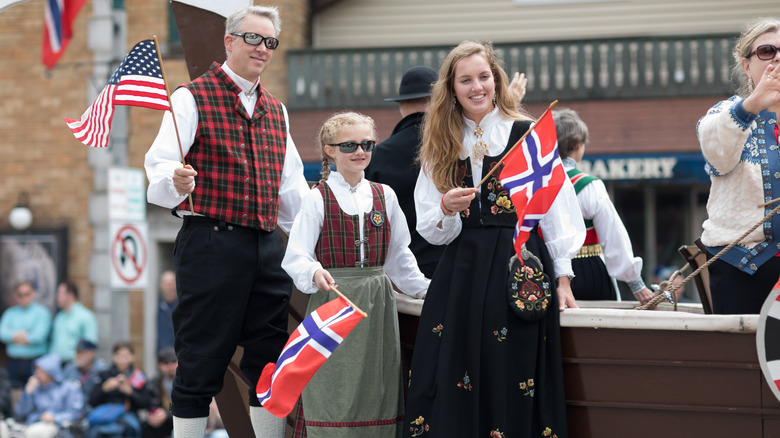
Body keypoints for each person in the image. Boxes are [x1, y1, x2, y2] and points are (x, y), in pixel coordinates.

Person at [403, 41, 585, 438]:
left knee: (513, 366)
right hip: (463, 270)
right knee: (455, 366)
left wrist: (564, 277)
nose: (476, 87)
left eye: (483, 77)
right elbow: (429, 225)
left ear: (496, 80)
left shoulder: (527, 134)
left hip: (519, 265)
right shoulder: (440, 143)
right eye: (465, 80)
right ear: (451, 89)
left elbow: (553, 207)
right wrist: (448, 208)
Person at [144, 5, 310, 438]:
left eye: (270, 41)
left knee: (270, 361)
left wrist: (316, 238)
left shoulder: (278, 111)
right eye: (253, 38)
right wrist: (176, 182)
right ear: (229, 41)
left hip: (266, 244)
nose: (262, 49)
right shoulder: (190, 97)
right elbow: (159, 167)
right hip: (210, 242)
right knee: (200, 359)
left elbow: (292, 191)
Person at [282, 112, 429, 437]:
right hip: (333, 304)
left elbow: (399, 257)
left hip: (376, 306)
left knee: (376, 386)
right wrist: (314, 271)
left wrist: (425, 289)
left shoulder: (384, 195)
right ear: (329, 150)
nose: (360, 151)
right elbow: (296, 256)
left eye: (366, 144)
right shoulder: (317, 198)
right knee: (333, 386)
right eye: (349, 145)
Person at [697, 17, 780, 314]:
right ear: (747, 65)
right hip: (742, 266)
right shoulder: (725, 113)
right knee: (743, 359)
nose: (777, 58)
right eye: (767, 51)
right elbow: (718, 158)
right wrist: (753, 105)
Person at [552, 108, 654, 304]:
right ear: (576, 144)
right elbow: (613, 235)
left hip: (549, 273)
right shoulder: (590, 186)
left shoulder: (537, 186)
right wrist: (636, 283)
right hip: (589, 271)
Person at [365, 66, 446, 278]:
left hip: (398, 273)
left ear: (401, 105)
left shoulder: (378, 154)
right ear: (435, 101)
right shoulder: (454, 146)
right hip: (450, 267)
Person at [88, 341, 150, 438]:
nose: (122, 360)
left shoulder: (138, 376)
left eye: (126, 356)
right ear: (113, 357)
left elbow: (146, 403)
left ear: (132, 357)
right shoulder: (104, 375)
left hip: (128, 416)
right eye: (118, 356)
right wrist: (104, 389)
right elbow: (92, 401)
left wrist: (130, 392)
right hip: (105, 415)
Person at [14, 352, 84, 438]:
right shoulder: (36, 388)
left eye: (40, 371)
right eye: (36, 370)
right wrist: (27, 393)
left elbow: (76, 414)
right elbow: (20, 413)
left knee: (38, 433)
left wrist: (55, 418)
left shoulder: (70, 388)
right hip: (33, 425)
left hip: (59, 428)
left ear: (50, 372)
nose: (37, 374)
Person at [0, 281, 51, 388]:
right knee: (14, 395)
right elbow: (2, 334)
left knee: (35, 392)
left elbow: (38, 337)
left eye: (27, 294)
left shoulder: (42, 313)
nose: (24, 297)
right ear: (16, 296)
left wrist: (12, 336)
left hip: (35, 362)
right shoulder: (10, 313)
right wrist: (25, 334)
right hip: (13, 362)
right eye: (20, 295)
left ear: (33, 293)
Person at [50, 281, 98, 362]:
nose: (56, 296)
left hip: (75, 364)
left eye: (60, 294)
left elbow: (90, 344)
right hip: (56, 363)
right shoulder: (59, 317)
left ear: (70, 295)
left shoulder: (86, 316)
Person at [63, 339, 108, 417]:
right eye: (77, 352)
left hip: (96, 413)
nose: (78, 355)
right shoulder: (69, 369)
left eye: (82, 352)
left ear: (93, 353)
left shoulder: (102, 370)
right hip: (72, 413)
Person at [141, 348, 176, 438]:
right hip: (162, 420)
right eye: (166, 363)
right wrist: (153, 414)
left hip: (181, 419)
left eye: (173, 362)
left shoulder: (185, 382)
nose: (170, 366)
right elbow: (151, 403)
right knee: (146, 427)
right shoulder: (154, 382)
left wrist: (167, 415)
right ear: (160, 365)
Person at [155, 271, 177, 354]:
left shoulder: (183, 307)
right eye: (166, 283)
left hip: (178, 356)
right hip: (162, 356)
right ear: (161, 285)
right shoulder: (157, 307)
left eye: (171, 283)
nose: (169, 286)